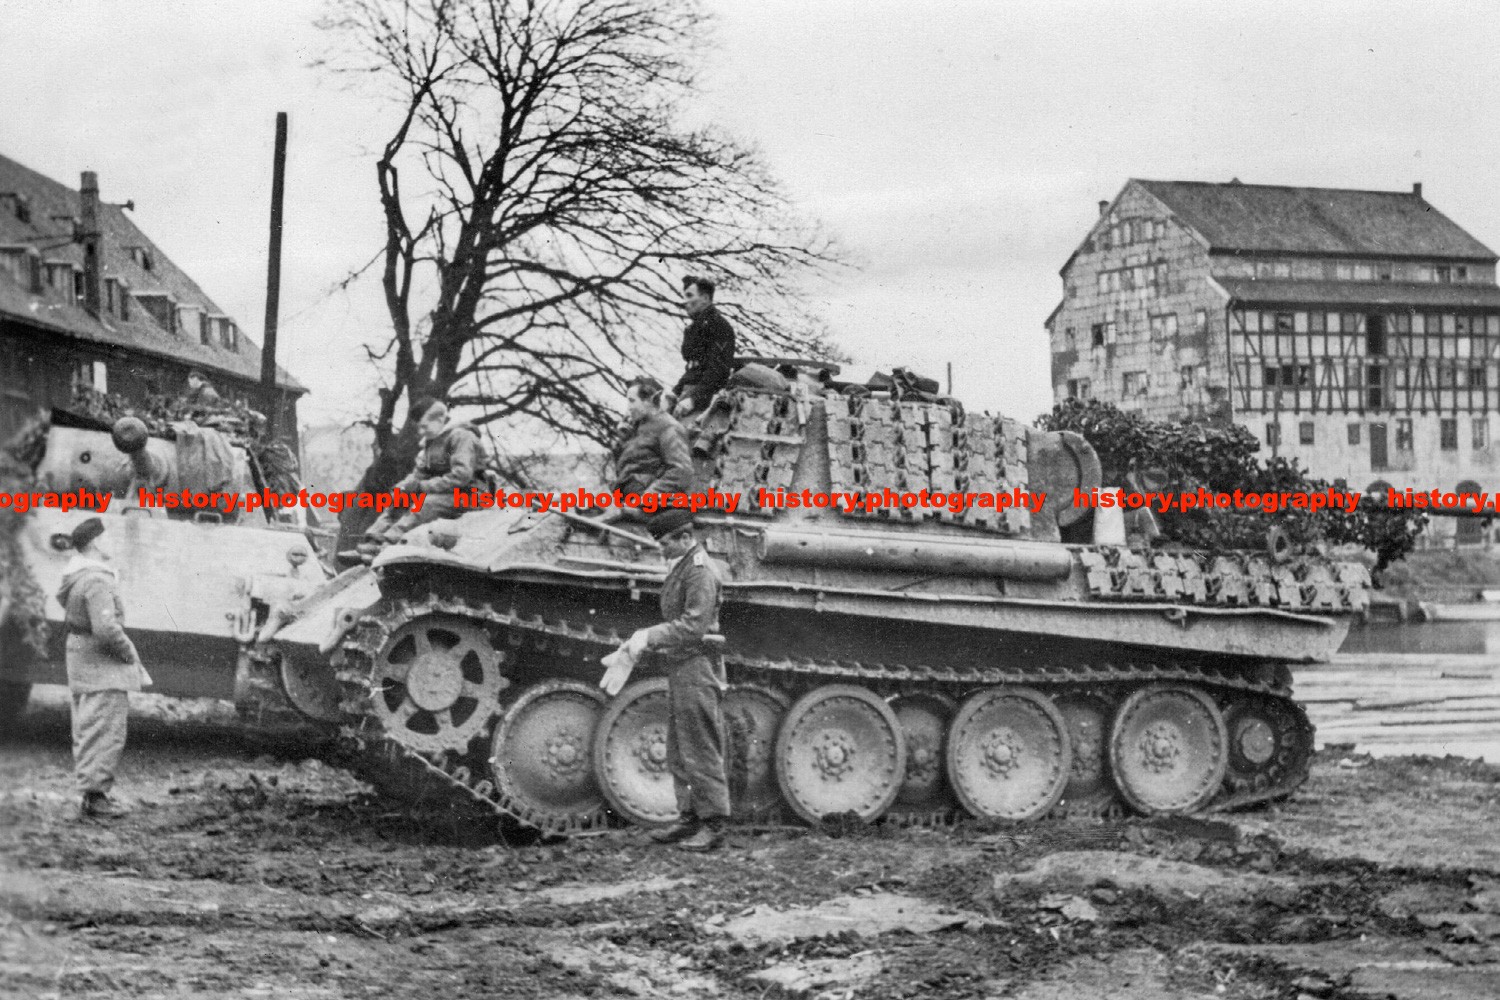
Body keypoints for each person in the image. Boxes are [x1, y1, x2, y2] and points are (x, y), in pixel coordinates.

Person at [604, 509, 730, 851]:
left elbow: (694, 626)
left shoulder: (701, 572)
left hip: (697, 665)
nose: (659, 549)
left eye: (664, 542)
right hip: (682, 665)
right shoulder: (685, 565)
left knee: (700, 746)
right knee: (679, 747)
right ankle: (689, 818)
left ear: (684, 538)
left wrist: (648, 635)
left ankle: (714, 825)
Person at [54, 517, 151, 819]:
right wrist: (129, 653)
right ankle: (96, 799)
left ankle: (91, 794)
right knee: (105, 729)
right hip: (102, 665)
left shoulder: (77, 575)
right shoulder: (97, 579)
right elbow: (106, 628)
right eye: (107, 536)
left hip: (84, 659)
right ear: (95, 543)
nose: (113, 541)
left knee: (87, 727)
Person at [360, 397, 486, 556]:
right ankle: (372, 540)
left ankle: (387, 543)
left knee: (425, 504)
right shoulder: (432, 443)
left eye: (424, 427)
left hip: (471, 494)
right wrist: (404, 487)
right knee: (400, 499)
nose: (421, 432)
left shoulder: (461, 437)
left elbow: (462, 475)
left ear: (440, 419)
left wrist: (422, 487)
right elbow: (420, 473)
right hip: (446, 492)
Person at [613, 376, 695, 498]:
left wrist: (649, 496)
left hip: (649, 503)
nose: (629, 408)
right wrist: (620, 444)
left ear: (650, 400)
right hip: (626, 495)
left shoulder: (669, 427)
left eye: (632, 401)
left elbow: (682, 471)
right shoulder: (638, 426)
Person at [669, 276, 736, 418]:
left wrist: (693, 399)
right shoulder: (694, 328)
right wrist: (674, 393)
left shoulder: (719, 326)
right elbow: (692, 370)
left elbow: (718, 371)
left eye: (689, 296)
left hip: (707, 397)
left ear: (705, 298)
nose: (685, 302)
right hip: (689, 391)